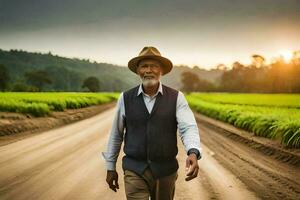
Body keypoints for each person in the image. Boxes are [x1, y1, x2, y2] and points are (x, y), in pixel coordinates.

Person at [102, 46, 202, 200]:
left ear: (161, 70)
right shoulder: (125, 98)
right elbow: (116, 134)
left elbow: (188, 128)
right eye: (144, 66)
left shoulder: (177, 97)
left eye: (154, 66)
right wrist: (110, 167)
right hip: (134, 169)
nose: (149, 70)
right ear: (138, 71)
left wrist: (193, 152)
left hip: (165, 171)